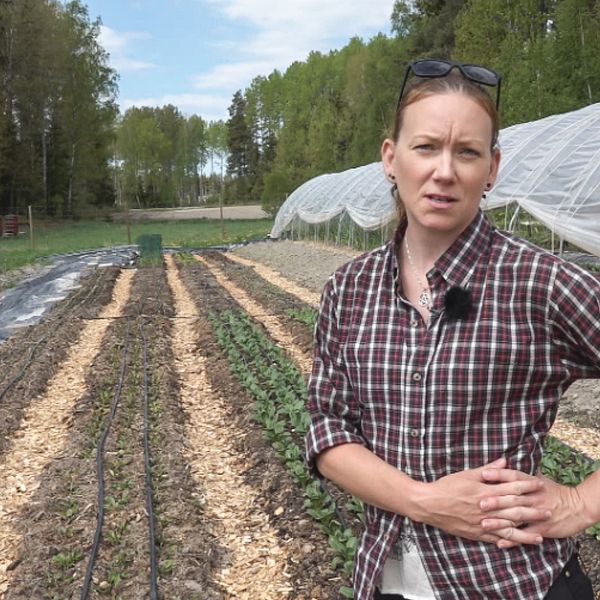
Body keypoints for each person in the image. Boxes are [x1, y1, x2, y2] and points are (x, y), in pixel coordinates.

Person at [305, 58, 600, 600]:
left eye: (467, 152)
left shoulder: (542, 282)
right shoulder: (350, 289)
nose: (445, 171)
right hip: (387, 581)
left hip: (512, 582)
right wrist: (424, 501)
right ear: (391, 158)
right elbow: (328, 430)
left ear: (492, 169)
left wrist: (581, 503)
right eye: (426, 148)